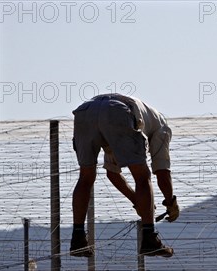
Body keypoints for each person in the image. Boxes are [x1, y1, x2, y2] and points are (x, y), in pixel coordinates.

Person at [70, 93, 179, 257]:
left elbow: (113, 174)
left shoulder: (139, 121)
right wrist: (170, 202)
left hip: (85, 112)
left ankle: (77, 239)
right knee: (142, 176)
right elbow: (162, 173)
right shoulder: (161, 128)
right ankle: (149, 238)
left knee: (86, 176)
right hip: (118, 111)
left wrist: (137, 201)